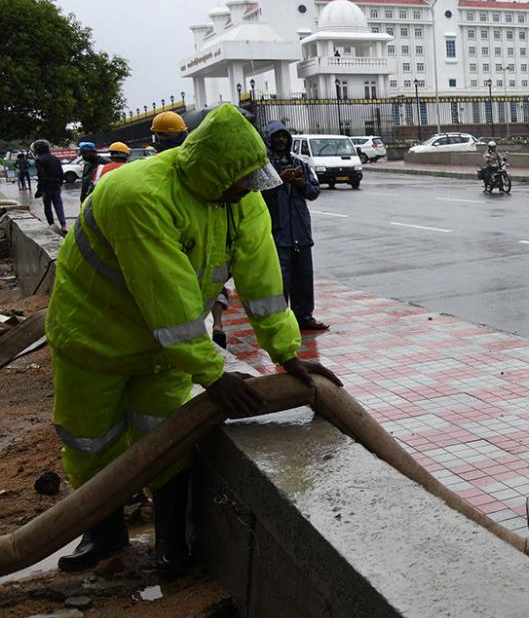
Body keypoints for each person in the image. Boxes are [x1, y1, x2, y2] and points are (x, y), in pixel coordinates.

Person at [46, 104, 340, 573]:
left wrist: (287, 353)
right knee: (90, 439)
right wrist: (212, 372)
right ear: (212, 170)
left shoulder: (240, 197)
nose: (247, 188)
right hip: (94, 339)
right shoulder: (137, 194)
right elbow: (169, 297)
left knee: (165, 437)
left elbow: (262, 282)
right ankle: (101, 532)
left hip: (164, 350)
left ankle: (170, 540)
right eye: (239, 180)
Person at [261, 120, 329, 332]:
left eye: (284, 136)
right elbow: (258, 196)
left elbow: (314, 192)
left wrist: (301, 183)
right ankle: (281, 320)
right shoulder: (264, 167)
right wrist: (280, 180)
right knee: (280, 280)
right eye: (276, 136)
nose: (281, 140)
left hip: (300, 230)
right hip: (277, 231)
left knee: (303, 276)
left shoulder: (299, 163)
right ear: (269, 139)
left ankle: (304, 316)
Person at [32, 140, 67, 234]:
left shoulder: (39, 160)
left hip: (46, 186)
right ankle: (63, 226)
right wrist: (59, 183)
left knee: (47, 207)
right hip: (56, 185)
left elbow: (41, 176)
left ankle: (52, 225)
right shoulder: (55, 158)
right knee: (58, 205)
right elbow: (61, 173)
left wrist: (39, 189)